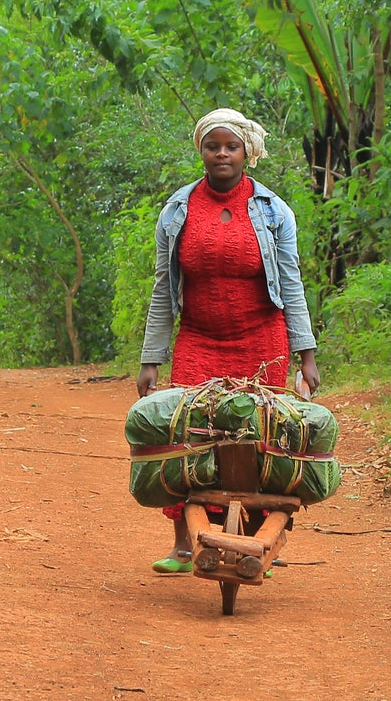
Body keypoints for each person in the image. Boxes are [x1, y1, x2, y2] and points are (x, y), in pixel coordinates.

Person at [136, 108, 319, 573]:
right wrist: (151, 359)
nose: (221, 153)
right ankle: (184, 542)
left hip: (263, 341)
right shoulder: (177, 212)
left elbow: (292, 284)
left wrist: (306, 355)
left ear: (246, 153)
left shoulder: (273, 211)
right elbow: (163, 288)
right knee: (188, 437)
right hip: (199, 338)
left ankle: (259, 541)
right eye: (212, 145)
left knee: (262, 438)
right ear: (200, 149)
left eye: (231, 146)